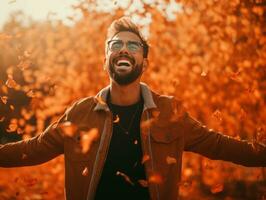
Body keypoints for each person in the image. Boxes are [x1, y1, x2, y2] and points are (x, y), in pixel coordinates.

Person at [0, 17, 265, 200]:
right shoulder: (80, 113)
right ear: (106, 60)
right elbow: (31, 150)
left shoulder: (169, 111)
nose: (124, 50)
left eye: (133, 45)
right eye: (116, 45)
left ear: (144, 62)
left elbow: (220, 145)